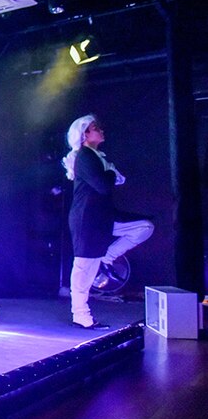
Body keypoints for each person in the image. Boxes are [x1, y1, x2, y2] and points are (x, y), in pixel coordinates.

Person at [62, 114, 154, 330]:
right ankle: (81, 316)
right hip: (87, 220)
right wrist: (111, 173)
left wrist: (110, 173)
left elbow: (109, 182)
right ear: (85, 135)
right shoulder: (84, 156)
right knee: (84, 267)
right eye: (96, 128)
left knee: (144, 227)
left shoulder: (95, 156)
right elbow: (103, 185)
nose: (101, 130)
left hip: (102, 217)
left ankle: (108, 257)